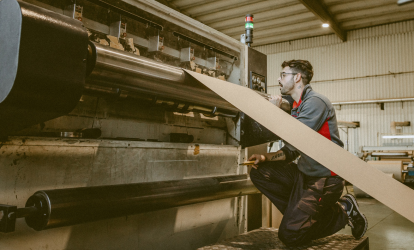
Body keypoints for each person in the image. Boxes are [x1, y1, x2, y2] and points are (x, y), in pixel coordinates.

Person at [248, 60, 367, 247]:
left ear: (297, 78)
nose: (278, 79)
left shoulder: (315, 102)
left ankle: (344, 210)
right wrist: (265, 157)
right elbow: (293, 149)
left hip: (325, 179)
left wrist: (271, 111)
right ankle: (299, 217)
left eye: (283, 75)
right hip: (305, 174)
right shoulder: (297, 105)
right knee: (260, 172)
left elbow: (296, 137)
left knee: (290, 236)